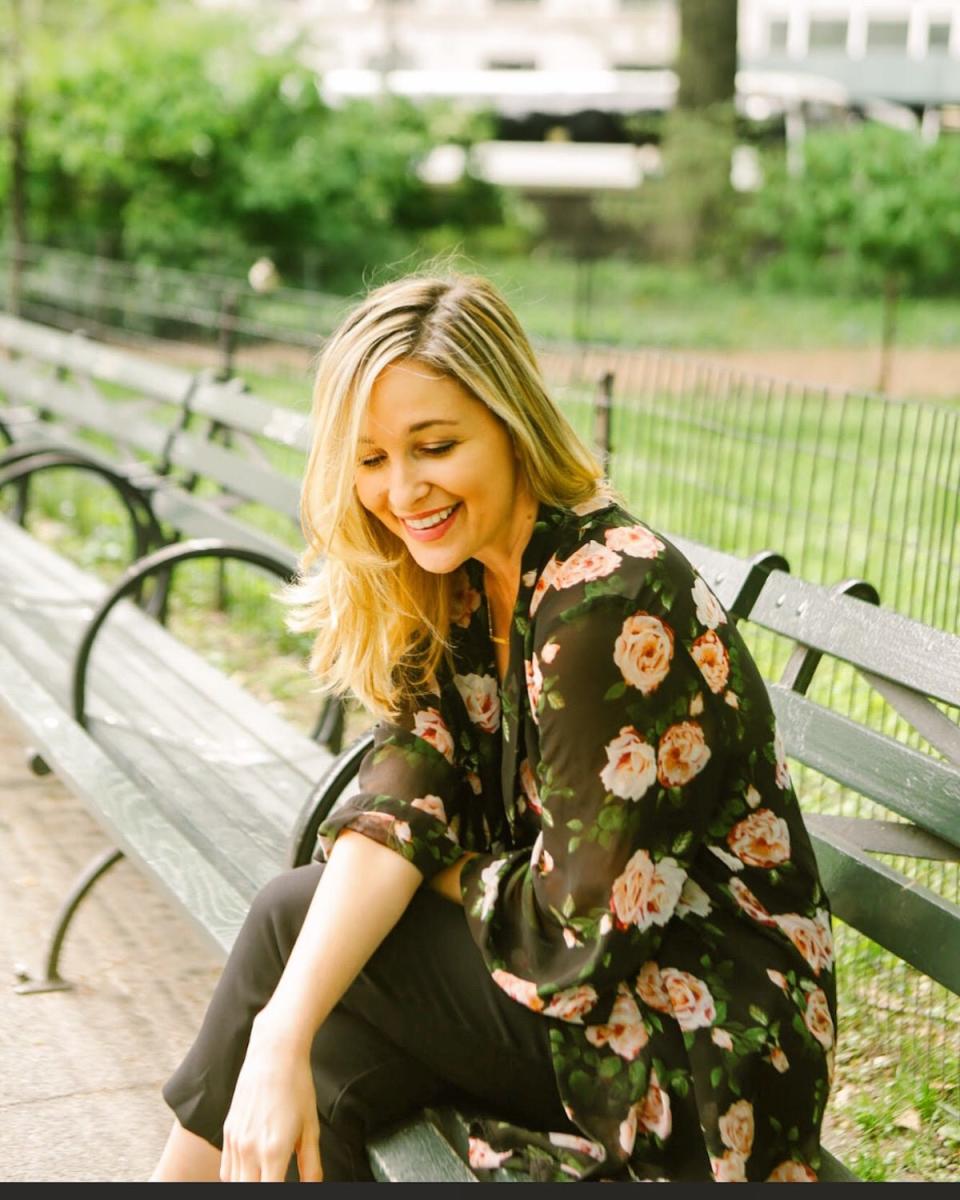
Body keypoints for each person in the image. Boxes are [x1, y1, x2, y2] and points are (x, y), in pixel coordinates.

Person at [152, 272, 837, 1184]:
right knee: (321, 1072)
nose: (401, 491)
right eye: (369, 460)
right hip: (594, 1008)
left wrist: (420, 880)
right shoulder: (466, 581)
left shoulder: (609, 602)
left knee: (295, 924)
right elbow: (401, 794)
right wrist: (283, 1035)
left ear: (511, 424)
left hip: (710, 1042)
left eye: (434, 446)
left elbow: (572, 937)